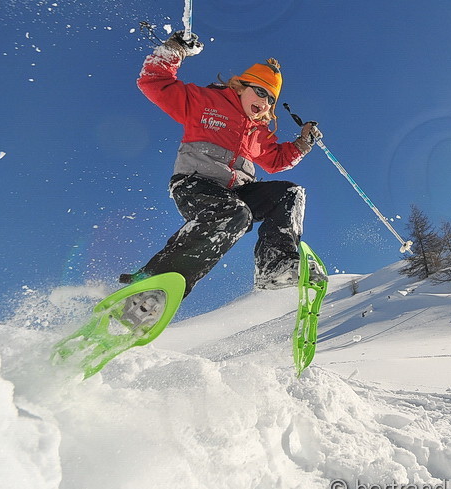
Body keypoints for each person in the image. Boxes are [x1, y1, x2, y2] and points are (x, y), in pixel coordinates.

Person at [120, 31, 321, 299]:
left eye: (270, 99)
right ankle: (160, 277)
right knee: (233, 213)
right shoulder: (206, 101)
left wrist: (303, 143)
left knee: (289, 193)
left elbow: (276, 162)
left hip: (236, 192)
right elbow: (154, 82)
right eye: (260, 91)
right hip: (195, 183)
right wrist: (174, 50)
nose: (263, 103)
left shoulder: (258, 132)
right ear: (241, 86)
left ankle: (276, 264)